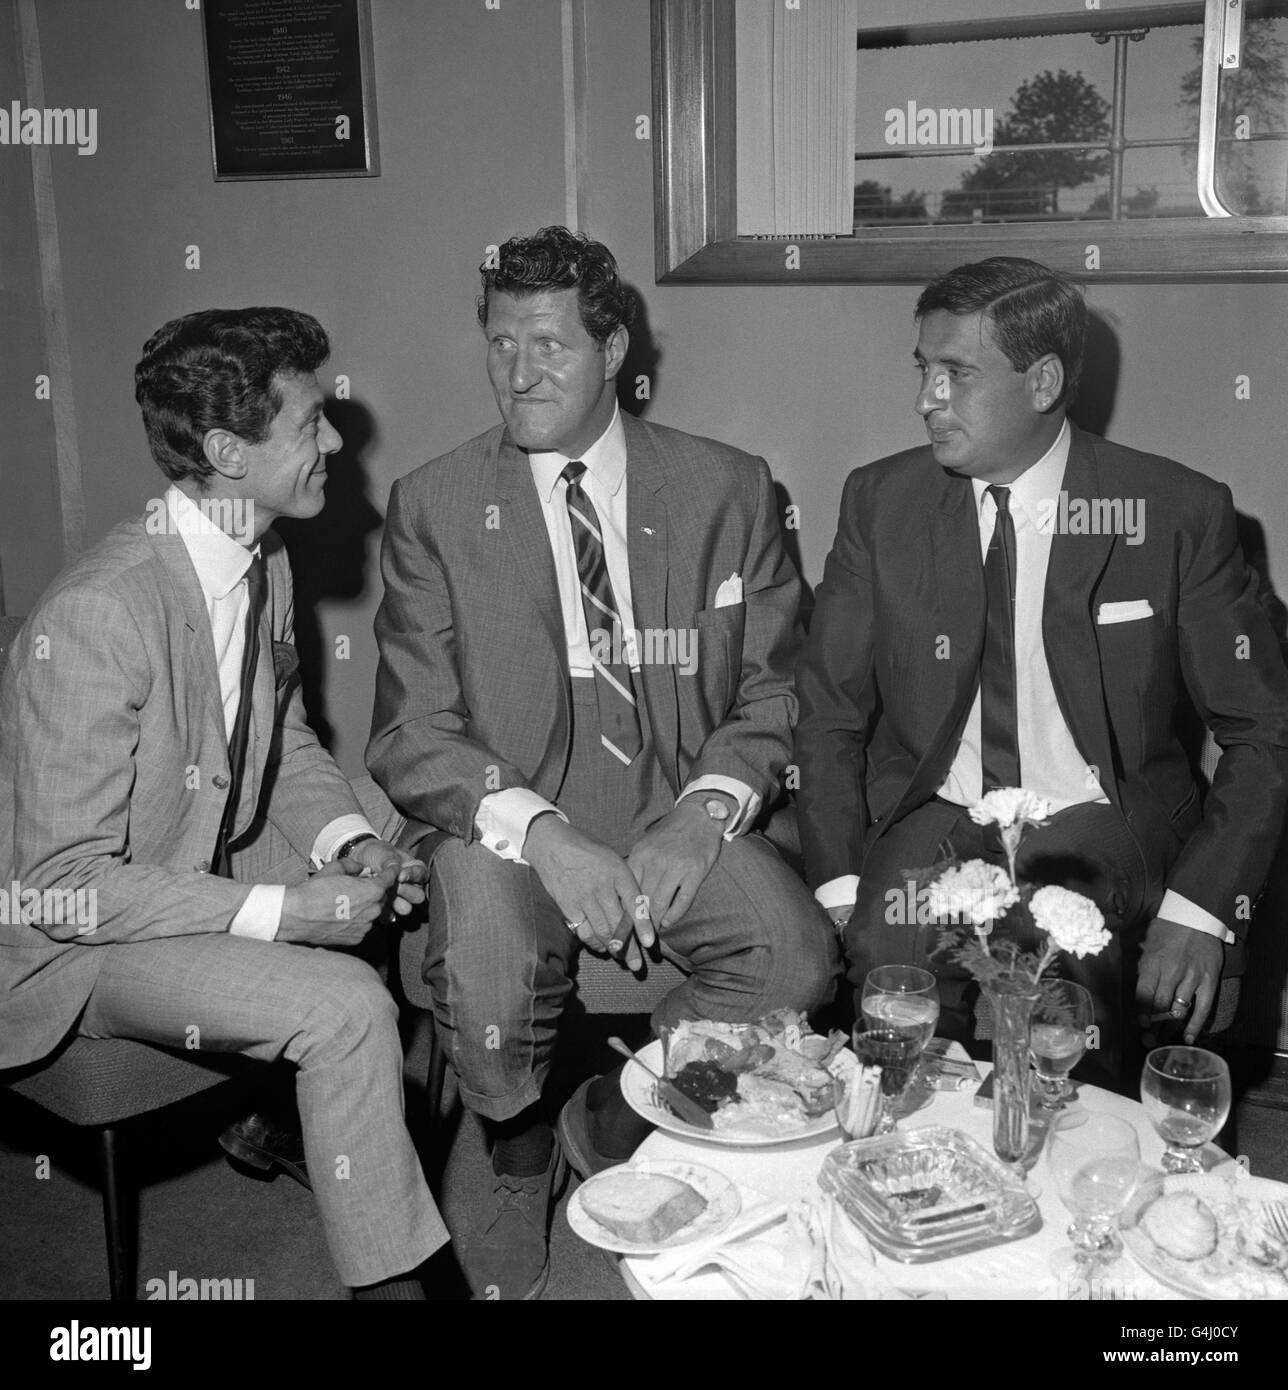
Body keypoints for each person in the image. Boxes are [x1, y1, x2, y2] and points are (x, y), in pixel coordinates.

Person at [368, 226, 837, 1299]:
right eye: (498, 344)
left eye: (549, 343)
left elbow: (775, 688)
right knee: (483, 934)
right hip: (511, 816)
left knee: (793, 955)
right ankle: (515, 1141)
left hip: (674, 804)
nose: (518, 372)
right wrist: (542, 832)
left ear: (615, 346)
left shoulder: (730, 486)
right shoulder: (433, 505)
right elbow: (409, 732)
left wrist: (706, 807)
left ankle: (625, 1108)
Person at [0, 307, 450, 1299]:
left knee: (409, 837)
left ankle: (284, 1118)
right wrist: (288, 912)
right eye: (310, 424)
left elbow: (277, 742)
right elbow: (58, 886)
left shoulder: (262, 557)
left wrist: (352, 844)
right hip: (75, 946)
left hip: (183, 859)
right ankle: (396, 1287)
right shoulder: (98, 614)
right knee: (342, 1006)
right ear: (225, 453)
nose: (336, 439)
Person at [794, 256, 1288, 1095]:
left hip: (1103, 810)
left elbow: (1264, 730)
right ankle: (916, 1175)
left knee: (1057, 939)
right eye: (924, 369)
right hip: (937, 809)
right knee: (890, 949)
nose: (927, 399)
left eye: (957, 374)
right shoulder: (883, 502)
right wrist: (844, 880)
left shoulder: (1173, 512)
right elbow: (828, 712)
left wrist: (1201, 907)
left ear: (1044, 380)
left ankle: (1067, 1178)